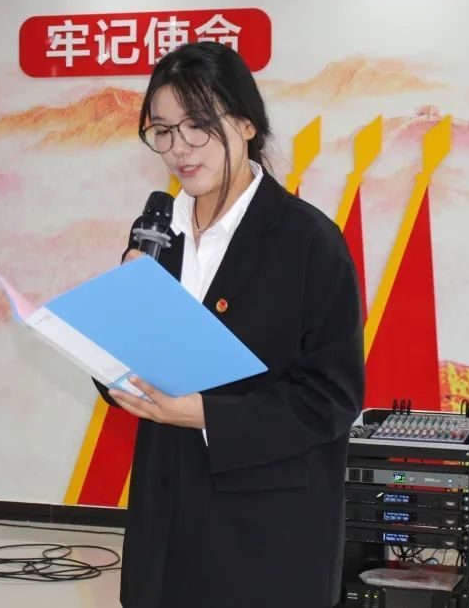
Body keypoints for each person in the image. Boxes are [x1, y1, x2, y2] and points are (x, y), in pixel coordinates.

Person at [94, 41, 365, 608]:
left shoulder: (308, 241)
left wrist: (205, 413)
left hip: (264, 534)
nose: (179, 148)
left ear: (245, 124)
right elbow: (127, 367)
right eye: (162, 130)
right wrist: (114, 338)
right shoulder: (157, 234)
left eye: (197, 126)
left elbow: (331, 397)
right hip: (165, 519)